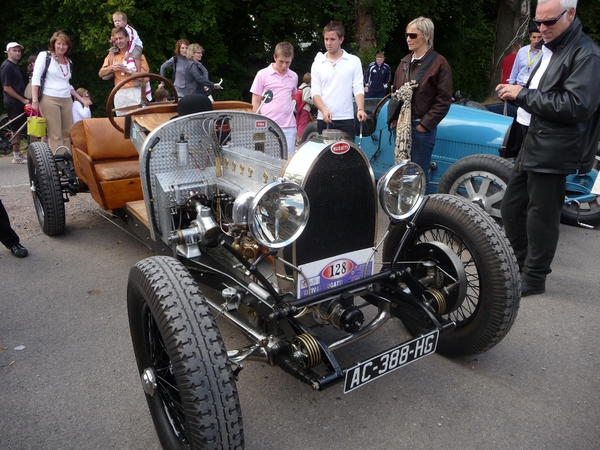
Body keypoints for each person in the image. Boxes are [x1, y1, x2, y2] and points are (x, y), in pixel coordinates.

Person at [496, 0, 600, 296]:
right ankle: (518, 266)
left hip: (555, 145)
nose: (541, 28)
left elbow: (577, 106)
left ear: (571, 13)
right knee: (512, 207)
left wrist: (522, 95)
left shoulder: (587, 53)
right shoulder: (550, 47)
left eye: (549, 21)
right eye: (537, 22)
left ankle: (534, 277)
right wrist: (517, 94)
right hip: (532, 138)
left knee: (542, 215)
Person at [392, 17, 452, 193]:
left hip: (421, 128)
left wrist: (424, 126)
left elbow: (443, 100)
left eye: (413, 35)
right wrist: (394, 120)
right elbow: (395, 92)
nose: (408, 39)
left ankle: (420, 210)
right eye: (406, 35)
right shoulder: (404, 62)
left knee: (419, 176)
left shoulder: (440, 63)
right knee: (402, 174)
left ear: (427, 36)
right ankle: (404, 209)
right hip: (401, 127)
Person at [31, 32, 90, 153]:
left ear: (68, 46)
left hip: (66, 99)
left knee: (67, 133)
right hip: (49, 98)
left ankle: (67, 160)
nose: (61, 47)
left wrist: (80, 98)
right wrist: (35, 100)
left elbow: (67, 85)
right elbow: (36, 78)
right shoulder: (45, 56)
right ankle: (58, 162)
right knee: (55, 134)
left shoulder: (69, 62)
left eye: (64, 44)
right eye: (59, 43)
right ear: (54, 44)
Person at [311, 21, 367, 141]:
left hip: (346, 118)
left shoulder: (354, 61)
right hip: (324, 118)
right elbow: (315, 93)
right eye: (326, 39)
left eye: (332, 39)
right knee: (326, 153)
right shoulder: (317, 64)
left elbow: (358, 88)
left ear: (341, 40)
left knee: (348, 152)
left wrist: (360, 109)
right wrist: (324, 110)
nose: (328, 43)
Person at [250, 42, 298, 154]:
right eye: (281, 61)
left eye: (287, 62)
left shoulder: (294, 76)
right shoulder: (262, 74)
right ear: (275, 57)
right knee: (261, 156)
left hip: (288, 127)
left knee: (287, 159)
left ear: (292, 59)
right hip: (265, 125)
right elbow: (255, 102)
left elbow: (291, 96)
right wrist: (259, 123)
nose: (284, 66)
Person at [99, 27, 149, 115]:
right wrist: (112, 67)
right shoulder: (112, 55)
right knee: (121, 121)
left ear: (127, 38)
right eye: (116, 39)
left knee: (136, 121)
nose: (118, 41)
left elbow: (146, 79)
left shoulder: (138, 56)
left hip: (134, 91)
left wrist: (127, 70)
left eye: (120, 38)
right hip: (119, 92)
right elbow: (101, 73)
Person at [1, 42, 29, 164]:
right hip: (13, 102)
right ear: (8, 52)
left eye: (19, 51)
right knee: (17, 129)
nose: (17, 53)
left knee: (18, 128)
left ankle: (18, 154)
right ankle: (16, 156)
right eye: (14, 50)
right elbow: (6, 87)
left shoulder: (14, 66)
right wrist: (22, 100)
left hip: (17, 102)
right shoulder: (7, 66)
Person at [108, 11, 143, 76]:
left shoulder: (129, 30)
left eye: (119, 21)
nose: (117, 23)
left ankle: (139, 73)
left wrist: (128, 53)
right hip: (128, 45)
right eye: (115, 21)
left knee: (136, 56)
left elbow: (132, 41)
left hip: (136, 45)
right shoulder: (117, 31)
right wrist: (112, 41)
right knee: (111, 51)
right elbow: (114, 43)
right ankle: (111, 69)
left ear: (125, 22)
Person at [295, 72, 314, 145]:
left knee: (297, 123)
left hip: (298, 107)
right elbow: (305, 99)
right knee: (303, 123)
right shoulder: (308, 88)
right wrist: (314, 102)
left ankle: (296, 138)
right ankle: (299, 140)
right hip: (304, 108)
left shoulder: (300, 87)